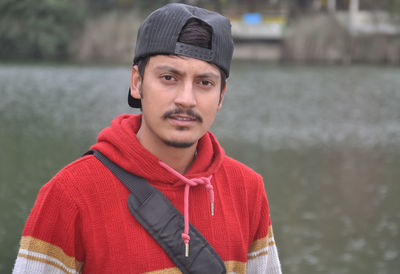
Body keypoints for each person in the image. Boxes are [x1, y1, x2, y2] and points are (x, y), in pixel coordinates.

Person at [13, 3, 282, 274]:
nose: (186, 99)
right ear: (137, 83)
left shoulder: (247, 190)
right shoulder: (69, 195)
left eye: (204, 83)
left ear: (222, 95)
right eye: (169, 77)